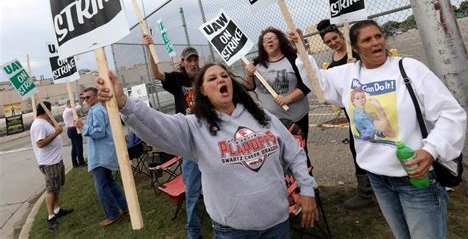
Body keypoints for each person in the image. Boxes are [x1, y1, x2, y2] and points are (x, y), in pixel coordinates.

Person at [290, 20, 466, 239]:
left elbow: (450, 113)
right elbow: (318, 82)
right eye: (367, 39)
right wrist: (300, 50)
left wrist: (430, 150)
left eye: (378, 36)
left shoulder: (409, 68)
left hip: (415, 178)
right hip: (378, 179)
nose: (376, 42)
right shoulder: (347, 74)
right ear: (355, 47)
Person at [97, 63, 318, 238]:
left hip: (277, 224)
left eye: (224, 75)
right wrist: (124, 102)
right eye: (212, 78)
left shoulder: (262, 116)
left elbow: (294, 152)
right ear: (202, 90)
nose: (221, 79)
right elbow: (158, 125)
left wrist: (307, 190)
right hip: (233, 231)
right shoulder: (195, 126)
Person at [143, 34, 202, 239]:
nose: (193, 63)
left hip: (209, 138)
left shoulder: (205, 78)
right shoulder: (178, 80)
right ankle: (193, 232)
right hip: (189, 143)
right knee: (192, 190)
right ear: (183, 63)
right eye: (189, 60)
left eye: (195, 59)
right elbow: (156, 73)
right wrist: (150, 49)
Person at [317, 19, 376, 210]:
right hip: (351, 113)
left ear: (342, 35)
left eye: (335, 38)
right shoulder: (332, 62)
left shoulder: (356, 52)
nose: (333, 43)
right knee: (356, 148)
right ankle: (367, 191)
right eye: (328, 42)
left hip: (369, 109)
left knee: (375, 144)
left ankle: (376, 189)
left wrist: (358, 65)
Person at [244, 27, 311, 163]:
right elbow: (249, 86)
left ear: (280, 41)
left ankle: (306, 183)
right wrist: (249, 74)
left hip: (296, 118)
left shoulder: (293, 59)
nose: (269, 41)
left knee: (300, 152)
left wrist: (288, 98)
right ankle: (286, 184)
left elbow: (306, 84)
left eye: (273, 38)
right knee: (277, 155)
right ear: (262, 45)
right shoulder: (257, 63)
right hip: (271, 120)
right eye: (265, 40)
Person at [75, 87, 128, 228]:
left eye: (88, 97)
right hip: (102, 153)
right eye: (84, 98)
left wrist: (83, 127)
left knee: (101, 186)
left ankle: (113, 214)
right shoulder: (95, 110)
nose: (86, 100)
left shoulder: (98, 110)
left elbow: (99, 132)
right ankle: (124, 206)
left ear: (96, 97)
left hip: (101, 155)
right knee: (109, 182)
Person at [30, 101, 73, 231]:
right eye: (50, 110)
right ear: (46, 110)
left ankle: (57, 209)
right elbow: (40, 143)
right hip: (49, 163)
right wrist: (56, 133)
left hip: (55, 160)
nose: (51, 112)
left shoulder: (45, 122)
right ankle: (50, 216)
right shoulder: (38, 125)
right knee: (51, 189)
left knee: (56, 187)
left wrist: (55, 130)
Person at [62, 100, 86, 168]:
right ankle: (81, 162)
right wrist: (75, 105)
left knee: (75, 147)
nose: (74, 105)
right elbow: (79, 107)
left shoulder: (68, 111)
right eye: (72, 104)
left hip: (72, 130)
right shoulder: (67, 111)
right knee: (78, 146)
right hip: (73, 130)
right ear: (68, 104)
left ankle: (75, 163)